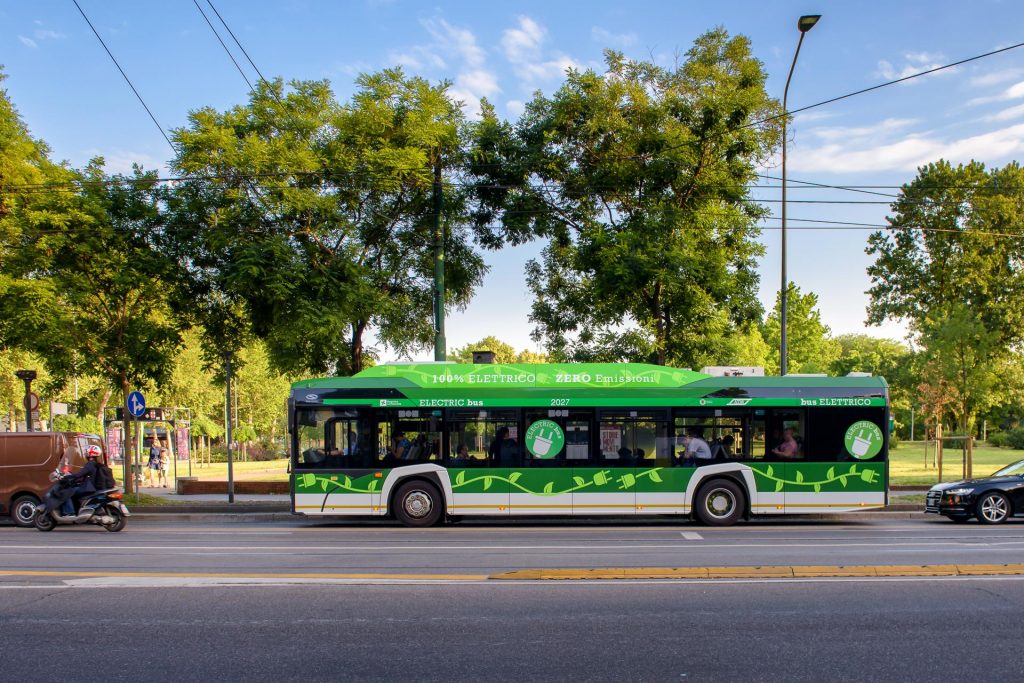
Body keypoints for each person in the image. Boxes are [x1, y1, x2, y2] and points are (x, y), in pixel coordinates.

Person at [48, 445, 103, 513]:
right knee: (73, 489)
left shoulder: (90, 464)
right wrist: (72, 475)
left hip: (89, 488)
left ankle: (69, 512)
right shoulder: (95, 464)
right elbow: (83, 474)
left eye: (86, 451)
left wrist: (66, 477)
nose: (85, 453)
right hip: (92, 486)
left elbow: (79, 474)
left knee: (67, 492)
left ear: (90, 453)